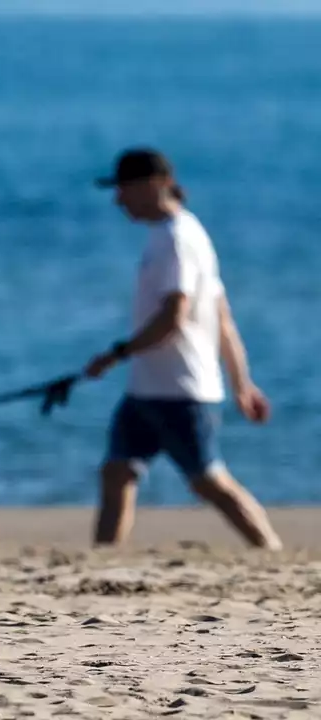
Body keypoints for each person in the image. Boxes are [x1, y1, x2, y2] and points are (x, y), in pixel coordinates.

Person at [83, 148, 281, 550]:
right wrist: (243, 384)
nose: (118, 200)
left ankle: (270, 551)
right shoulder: (184, 234)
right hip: (147, 388)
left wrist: (117, 353)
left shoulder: (176, 239)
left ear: (155, 185)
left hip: (181, 388)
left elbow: (176, 316)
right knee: (117, 472)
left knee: (209, 481)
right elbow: (222, 317)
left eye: (124, 190)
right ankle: (101, 560)